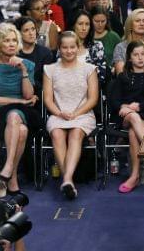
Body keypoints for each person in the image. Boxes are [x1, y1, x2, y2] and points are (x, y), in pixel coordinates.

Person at [0, 23, 40, 196]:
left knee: (15, 116)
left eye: (14, 40)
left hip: (23, 112)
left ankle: (7, 168)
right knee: (20, 130)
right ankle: (12, 176)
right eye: (6, 40)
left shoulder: (28, 65)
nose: (11, 44)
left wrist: (23, 70)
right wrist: (20, 102)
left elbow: (29, 95)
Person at [43, 31, 98, 200]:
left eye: (72, 47)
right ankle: (68, 181)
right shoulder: (50, 69)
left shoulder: (89, 69)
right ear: (59, 48)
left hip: (83, 113)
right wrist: (60, 113)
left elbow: (93, 98)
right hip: (58, 113)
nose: (69, 51)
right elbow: (48, 99)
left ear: (78, 47)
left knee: (75, 134)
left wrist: (76, 113)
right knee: (57, 134)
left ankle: (67, 178)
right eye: (65, 47)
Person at [108, 41, 144, 193]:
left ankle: (134, 175)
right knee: (132, 117)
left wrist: (137, 107)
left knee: (132, 132)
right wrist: (126, 108)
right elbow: (114, 101)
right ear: (129, 58)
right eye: (136, 55)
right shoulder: (123, 76)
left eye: (143, 54)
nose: (140, 58)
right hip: (125, 116)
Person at [113, 8, 144, 75]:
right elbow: (121, 74)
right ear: (130, 25)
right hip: (127, 84)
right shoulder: (120, 47)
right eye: (137, 21)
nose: (141, 24)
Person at [14, 17, 55, 90]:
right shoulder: (14, 53)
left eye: (33, 29)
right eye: (26, 30)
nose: (31, 33)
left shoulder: (45, 53)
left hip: (39, 93)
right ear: (19, 33)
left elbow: (47, 83)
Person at [70, 10, 107, 84]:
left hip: (91, 89)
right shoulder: (64, 46)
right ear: (74, 25)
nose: (84, 28)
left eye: (87, 24)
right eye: (80, 24)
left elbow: (101, 76)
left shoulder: (97, 46)